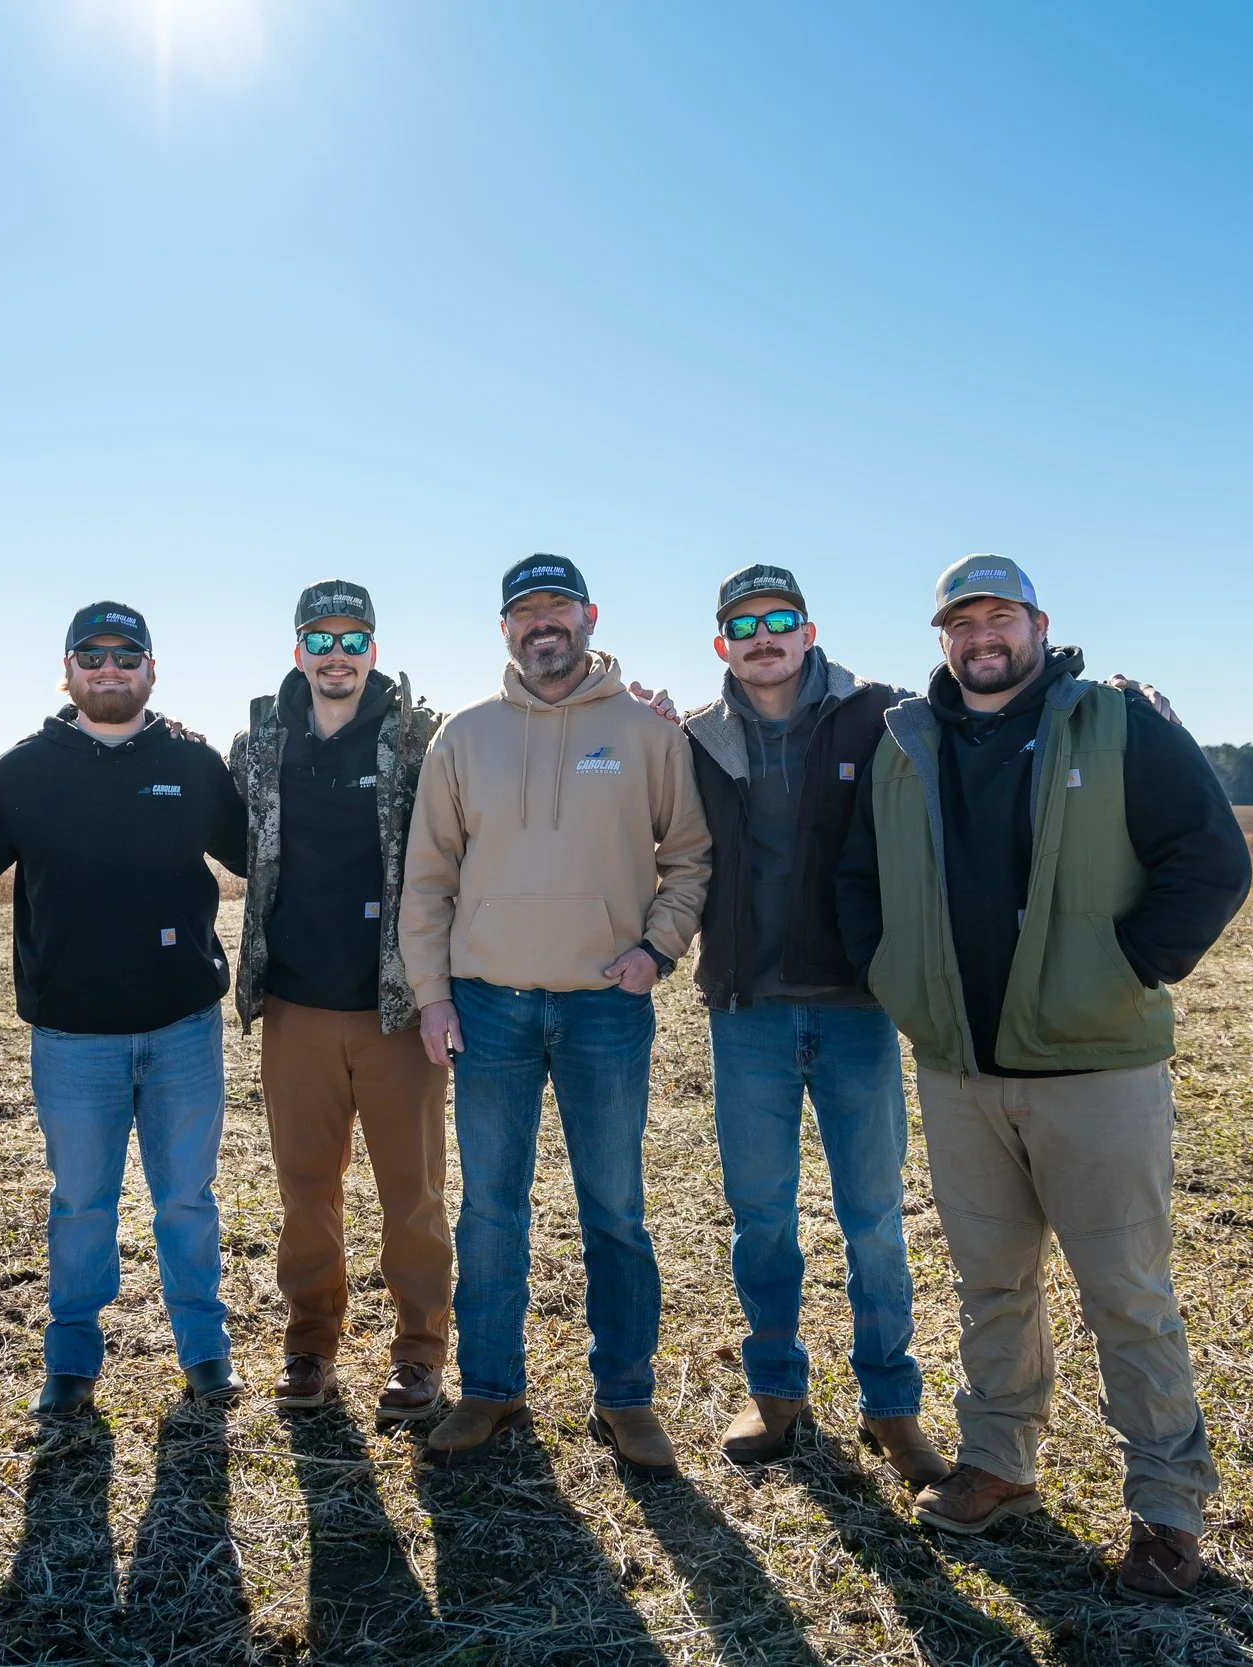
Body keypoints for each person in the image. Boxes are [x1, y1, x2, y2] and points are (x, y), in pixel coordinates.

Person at [834, 555, 1250, 1600]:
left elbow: (1210, 857)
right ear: (943, 638)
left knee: (1126, 1290)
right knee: (989, 1279)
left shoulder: (1114, 722)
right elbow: (858, 880)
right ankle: (999, 1462)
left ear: (1037, 623)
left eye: (999, 617)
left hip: (1093, 1065)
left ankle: (1166, 1507)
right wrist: (902, 981)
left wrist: (1118, 972)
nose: (981, 636)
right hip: (961, 1067)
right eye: (961, 621)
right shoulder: (904, 743)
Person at [399, 554, 713, 1475]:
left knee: (614, 1208)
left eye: (558, 609)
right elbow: (428, 879)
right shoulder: (462, 737)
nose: (544, 625)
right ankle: (490, 1388)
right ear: (505, 629)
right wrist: (432, 993)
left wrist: (654, 951)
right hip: (489, 1008)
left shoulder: (648, 732)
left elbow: (688, 857)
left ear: (590, 616)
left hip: (604, 1010)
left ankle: (627, 1396)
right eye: (525, 612)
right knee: (491, 1208)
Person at [678, 564, 953, 1485]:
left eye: (780, 619)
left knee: (873, 1218)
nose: (764, 637)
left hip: (855, 1009)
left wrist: (1101, 689)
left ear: (808, 627)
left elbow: (980, 707)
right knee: (761, 1217)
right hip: (746, 1011)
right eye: (744, 624)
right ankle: (777, 1393)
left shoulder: (879, 713)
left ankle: (892, 1406)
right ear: (723, 642)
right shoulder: (694, 738)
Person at [0, 602, 252, 1420]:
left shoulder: (190, 764)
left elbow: (263, 850)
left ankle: (205, 1352)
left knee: (187, 1199)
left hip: (182, 1024)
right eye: (92, 655)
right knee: (81, 1201)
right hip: (73, 1035)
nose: (110, 668)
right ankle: (71, 1359)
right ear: (68, 670)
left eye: (128, 655)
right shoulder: (24, 772)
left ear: (152, 670)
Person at [228, 581, 451, 1426]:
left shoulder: (416, 738)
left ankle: (419, 1353)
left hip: (398, 1004)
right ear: (298, 652)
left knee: (413, 1190)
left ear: (372, 649)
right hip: (295, 1005)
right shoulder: (258, 743)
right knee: (305, 1187)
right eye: (320, 639)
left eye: (352, 638)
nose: (336, 654)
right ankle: (310, 1343)